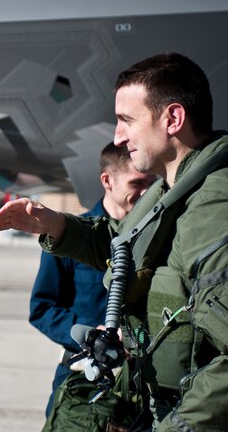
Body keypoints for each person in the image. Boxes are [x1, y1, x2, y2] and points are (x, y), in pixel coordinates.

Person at [0, 53, 228, 431]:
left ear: (173, 119)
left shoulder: (219, 205)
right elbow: (125, 248)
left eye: (127, 120)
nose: (117, 136)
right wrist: (58, 226)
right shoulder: (174, 190)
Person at [30, 142, 154, 417]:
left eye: (151, 182)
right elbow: (42, 308)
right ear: (107, 180)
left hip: (143, 385)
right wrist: (91, 338)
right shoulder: (69, 237)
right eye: (136, 182)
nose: (146, 192)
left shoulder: (157, 238)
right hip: (84, 381)